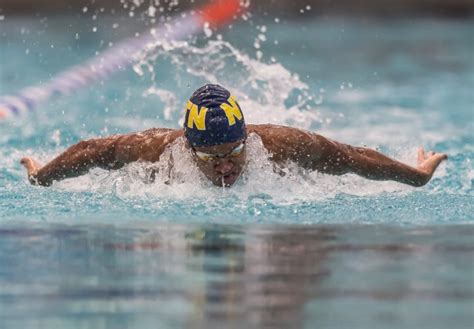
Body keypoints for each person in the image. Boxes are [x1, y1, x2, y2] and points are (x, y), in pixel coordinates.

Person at [21, 84, 447, 188]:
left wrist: (416, 175)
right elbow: (92, 151)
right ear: (190, 147)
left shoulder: (279, 144)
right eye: (209, 159)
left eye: (234, 153)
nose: (225, 166)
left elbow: (352, 157)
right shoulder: (157, 150)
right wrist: (42, 177)